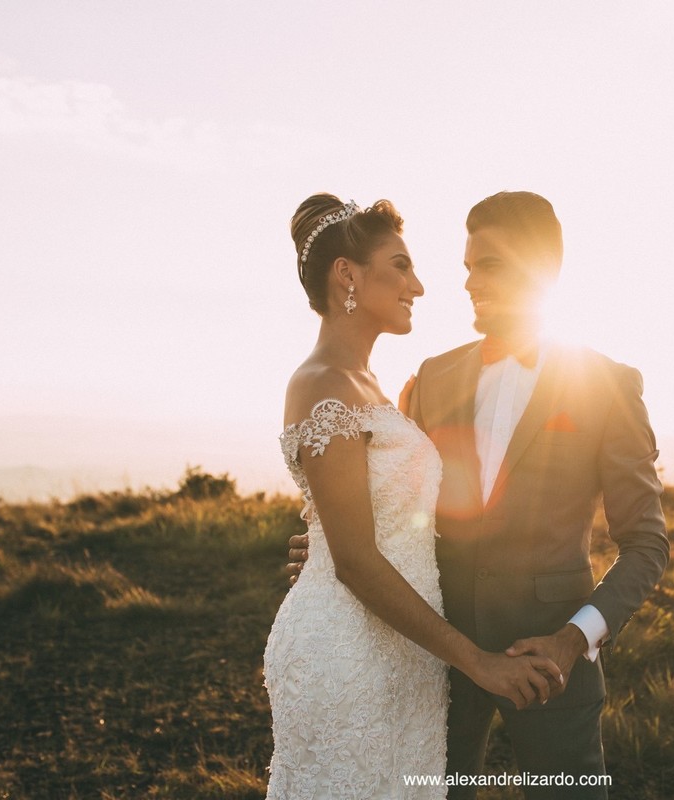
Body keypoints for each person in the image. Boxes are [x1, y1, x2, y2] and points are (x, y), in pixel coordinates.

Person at [288, 191, 669, 798]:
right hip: (435, 666)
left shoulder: (607, 385)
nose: (468, 283)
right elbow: (394, 498)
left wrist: (573, 641)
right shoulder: (433, 377)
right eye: (467, 267)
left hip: (553, 671)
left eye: (488, 265)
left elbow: (646, 545)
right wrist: (330, 548)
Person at [264, 194, 562, 800]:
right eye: (400, 265)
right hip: (349, 653)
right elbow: (355, 560)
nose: (419, 286)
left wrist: (322, 541)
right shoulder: (322, 383)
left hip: (406, 652)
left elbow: (374, 513)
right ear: (347, 274)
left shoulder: (369, 385)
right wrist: (477, 661)